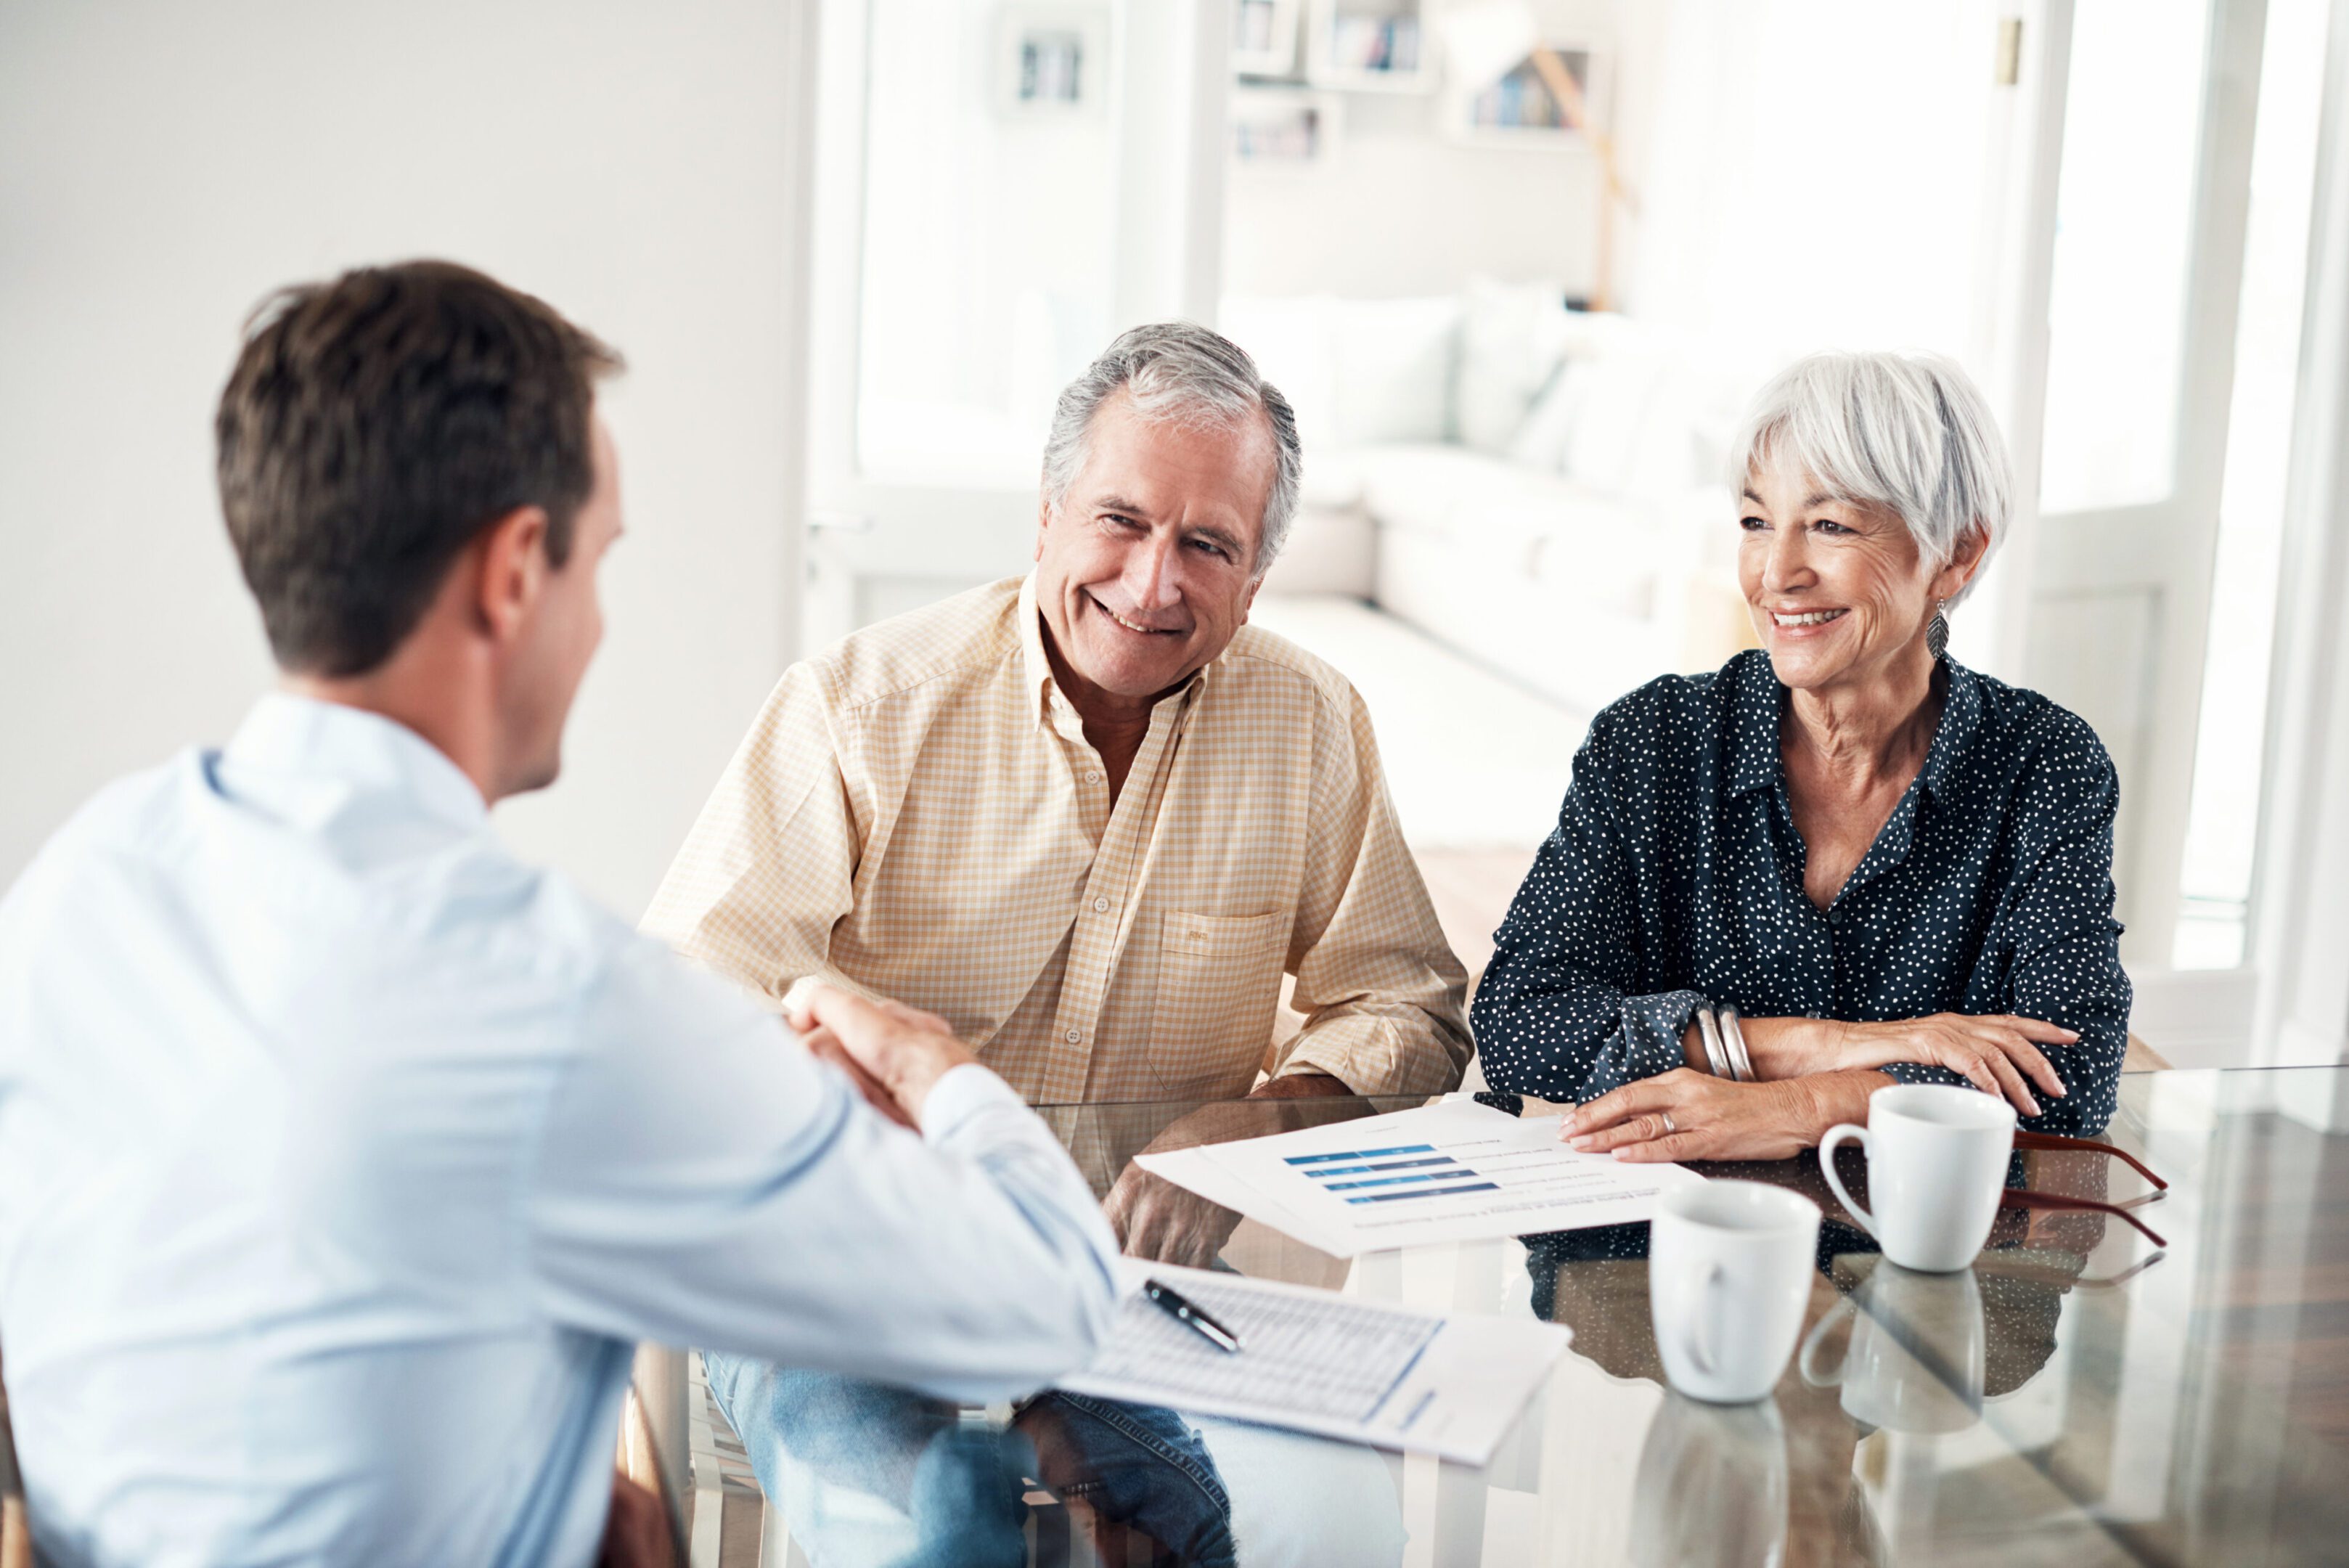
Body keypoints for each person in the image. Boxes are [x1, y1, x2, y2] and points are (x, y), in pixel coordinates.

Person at [0, 261, 1118, 1568]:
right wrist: (937, 1069)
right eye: (600, 560)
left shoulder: (84, 879)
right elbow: (1052, 1294)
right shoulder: (563, 1003)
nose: (596, 623)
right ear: (515, 570)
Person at [644, 321, 1466, 1559]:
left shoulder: (1311, 724)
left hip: (1139, 1301)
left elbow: (1409, 1009)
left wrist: (1245, 1126)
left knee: (1334, 1525)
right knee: (915, 1538)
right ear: (1045, 517)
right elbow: (683, 1016)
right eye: (1120, 522)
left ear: (1257, 574)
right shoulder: (857, 711)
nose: (1152, 584)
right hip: (849, 1288)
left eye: (1207, 545)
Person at [1471, 350, 2130, 1158]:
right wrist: (1822, 1046)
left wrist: (1793, 1109)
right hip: (1656, 1242)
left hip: (1923, 1251)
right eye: (1755, 523)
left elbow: (2073, 1077)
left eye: (1828, 525)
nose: (1776, 573)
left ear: (1954, 554)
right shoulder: (1651, 743)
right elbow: (1519, 1021)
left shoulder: (2040, 763)